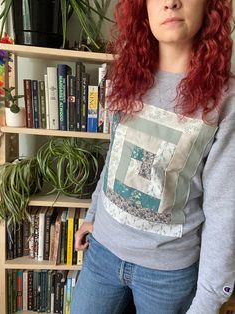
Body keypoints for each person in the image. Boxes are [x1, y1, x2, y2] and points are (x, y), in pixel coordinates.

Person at [71, 0, 235, 313]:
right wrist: (93, 213)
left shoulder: (225, 100)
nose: (171, 2)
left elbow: (225, 207)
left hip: (167, 276)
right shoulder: (129, 75)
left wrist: (208, 299)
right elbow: (116, 154)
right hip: (102, 254)